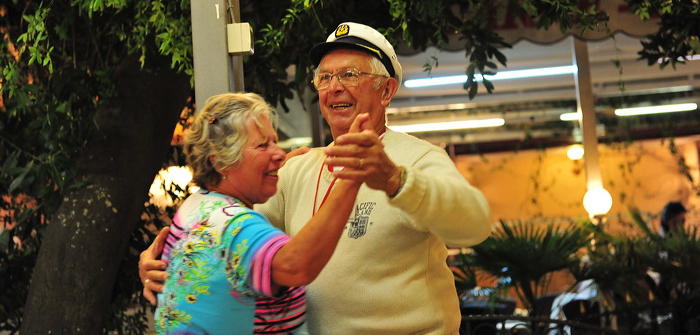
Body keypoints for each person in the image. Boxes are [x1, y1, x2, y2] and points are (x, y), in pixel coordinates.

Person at [142, 22, 492, 334]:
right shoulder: (300, 167)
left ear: (386, 91)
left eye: (350, 75)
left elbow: (475, 226)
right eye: (325, 77)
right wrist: (167, 251)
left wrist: (395, 180)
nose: (333, 88)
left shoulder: (418, 158)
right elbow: (232, 233)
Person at [152, 92, 363, 334]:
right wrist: (351, 175)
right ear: (220, 162)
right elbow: (297, 266)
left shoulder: (196, 205)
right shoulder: (235, 225)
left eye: (274, 142)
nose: (280, 153)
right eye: (262, 145)